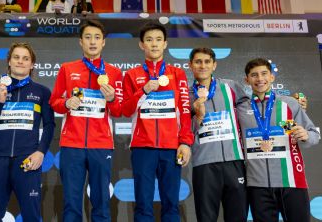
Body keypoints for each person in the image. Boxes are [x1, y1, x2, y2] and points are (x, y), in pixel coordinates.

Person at [49, 20, 122, 222]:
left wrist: (112, 99)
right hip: (72, 144)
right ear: (81, 42)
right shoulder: (67, 68)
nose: (92, 42)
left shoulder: (114, 73)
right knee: (71, 203)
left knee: (101, 202)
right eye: (88, 37)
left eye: (97, 37)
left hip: (101, 145)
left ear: (103, 42)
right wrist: (66, 103)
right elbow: (54, 102)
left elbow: (118, 111)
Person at [121, 22, 194, 222]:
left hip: (171, 147)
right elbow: (125, 110)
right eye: (149, 40)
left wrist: (185, 142)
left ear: (165, 44)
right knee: (143, 204)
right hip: (142, 147)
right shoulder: (132, 75)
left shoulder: (177, 74)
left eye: (158, 40)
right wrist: (143, 90)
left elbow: (185, 111)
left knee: (171, 204)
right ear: (141, 45)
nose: (154, 44)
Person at [0, 42, 55, 222]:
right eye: (16, 57)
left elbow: (50, 125)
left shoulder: (42, 92)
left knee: (31, 216)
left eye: (25, 58)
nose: (20, 62)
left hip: (27, 161)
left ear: (32, 64)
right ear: (9, 62)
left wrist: (41, 152)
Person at [237, 58, 320, 222]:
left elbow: (313, 135)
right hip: (257, 185)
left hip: (291, 182)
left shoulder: (288, 105)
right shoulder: (241, 108)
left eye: (264, 74)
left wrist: (306, 136)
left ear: (272, 77)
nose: (260, 79)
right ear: (247, 80)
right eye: (254, 75)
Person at [189, 48, 248, 222]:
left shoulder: (231, 86)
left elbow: (253, 112)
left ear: (214, 65)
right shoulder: (186, 93)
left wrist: (291, 102)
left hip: (234, 161)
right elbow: (183, 129)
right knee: (206, 217)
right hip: (204, 164)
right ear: (190, 65)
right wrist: (197, 117)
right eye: (198, 61)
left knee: (237, 216)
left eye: (207, 61)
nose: (203, 65)